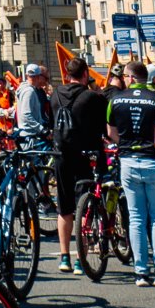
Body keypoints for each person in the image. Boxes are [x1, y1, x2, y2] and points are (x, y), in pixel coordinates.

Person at [107, 60, 155, 286]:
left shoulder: (116, 100)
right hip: (153, 161)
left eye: (125, 75)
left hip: (128, 161)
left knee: (135, 217)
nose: (123, 79)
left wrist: (125, 144)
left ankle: (141, 270)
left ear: (132, 78)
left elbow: (111, 132)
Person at [49, 57, 108, 274]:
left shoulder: (55, 95)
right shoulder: (92, 97)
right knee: (86, 206)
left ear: (67, 74)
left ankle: (64, 256)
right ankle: (80, 258)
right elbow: (106, 128)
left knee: (64, 208)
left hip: (61, 155)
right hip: (87, 156)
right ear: (85, 74)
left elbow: (50, 123)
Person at [14, 64, 50, 145]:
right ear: (38, 77)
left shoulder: (25, 89)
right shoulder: (29, 91)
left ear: (27, 75)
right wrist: (41, 129)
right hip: (29, 135)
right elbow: (26, 114)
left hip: (27, 134)